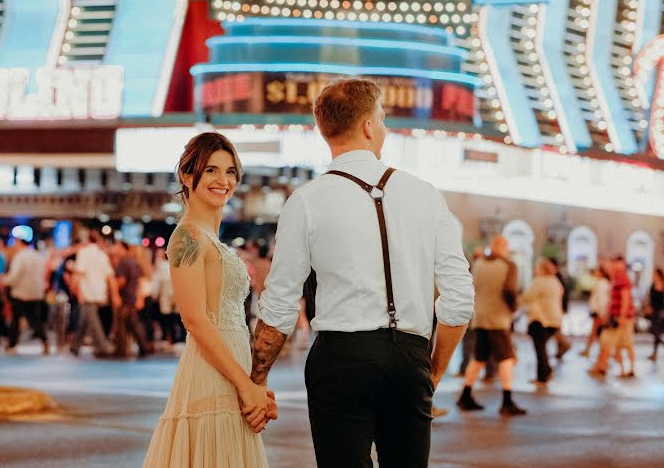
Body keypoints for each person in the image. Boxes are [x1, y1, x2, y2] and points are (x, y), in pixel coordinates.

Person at [248, 78, 474, 467]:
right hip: (409, 355)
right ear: (368, 126)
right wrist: (431, 372)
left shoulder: (305, 201)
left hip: (340, 358)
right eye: (382, 119)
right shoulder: (425, 194)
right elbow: (458, 299)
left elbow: (281, 302)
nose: (384, 128)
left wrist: (257, 381)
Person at [144, 132, 273, 467]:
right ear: (188, 176)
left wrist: (253, 386)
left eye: (230, 172)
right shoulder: (187, 237)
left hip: (232, 370)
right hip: (211, 374)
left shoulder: (209, 238)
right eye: (212, 170)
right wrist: (246, 385)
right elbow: (195, 320)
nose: (223, 180)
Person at [457, 235, 527, 415]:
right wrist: (513, 308)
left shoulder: (478, 264)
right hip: (498, 319)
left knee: (479, 358)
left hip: (480, 317)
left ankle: (465, 395)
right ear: (503, 248)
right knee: (507, 359)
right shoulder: (509, 266)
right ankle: (507, 400)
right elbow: (510, 290)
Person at [69, 231, 117, 357]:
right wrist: (114, 294)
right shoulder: (102, 255)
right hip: (100, 291)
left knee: (93, 322)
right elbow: (110, 276)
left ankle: (102, 347)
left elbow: (79, 273)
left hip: (88, 292)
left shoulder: (83, 253)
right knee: (84, 319)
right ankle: (75, 346)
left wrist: (76, 290)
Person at [590, 256, 636, 377]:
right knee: (617, 344)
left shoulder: (622, 278)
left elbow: (625, 298)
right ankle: (610, 368)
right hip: (616, 317)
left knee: (623, 343)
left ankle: (628, 369)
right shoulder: (615, 278)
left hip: (622, 318)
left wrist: (622, 317)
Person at [3, 234, 50, 354]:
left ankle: (12, 344)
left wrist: (5, 280)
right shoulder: (37, 256)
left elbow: (15, 276)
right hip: (35, 292)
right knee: (34, 319)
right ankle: (45, 340)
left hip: (20, 292)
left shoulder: (20, 257)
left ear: (20, 243)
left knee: (16, 320)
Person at [521, 258, 564, 385]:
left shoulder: (539, 281)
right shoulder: (555, 282)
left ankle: (542, 377)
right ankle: (547, 371)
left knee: (540, 349)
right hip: (555, 319)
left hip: (540, 319)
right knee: (543, 347)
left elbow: (527, 297)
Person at [111, 242, 149, 358]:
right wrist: (140, 298)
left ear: (123, 249)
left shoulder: (122, 262)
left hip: (124, 298)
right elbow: (140, 281)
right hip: (132, 297)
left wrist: (113, 290)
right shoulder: (135, 262)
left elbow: (121, 280)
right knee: (134, 323)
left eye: (117, 248)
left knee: (121, 326)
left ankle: (121, 351)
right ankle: (143, 347)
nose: (115, 250)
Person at [580, 265, 611, 357]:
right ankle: (591, 350)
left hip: (599, 312)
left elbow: (602, 299)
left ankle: (604, 352)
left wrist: (600, 312)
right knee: (596, 332)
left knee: (597, 332)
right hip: (597, 311)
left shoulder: (602, 283)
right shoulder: (601, 283)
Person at [646, 268, 664, 361]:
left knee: (657, 331)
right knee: (654, 331)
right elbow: (650, 297)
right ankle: (656, 349)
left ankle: (655, 353)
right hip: (654, 311)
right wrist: (648, 306)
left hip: (660, 311)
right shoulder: (653, 284)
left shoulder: (662, 284)